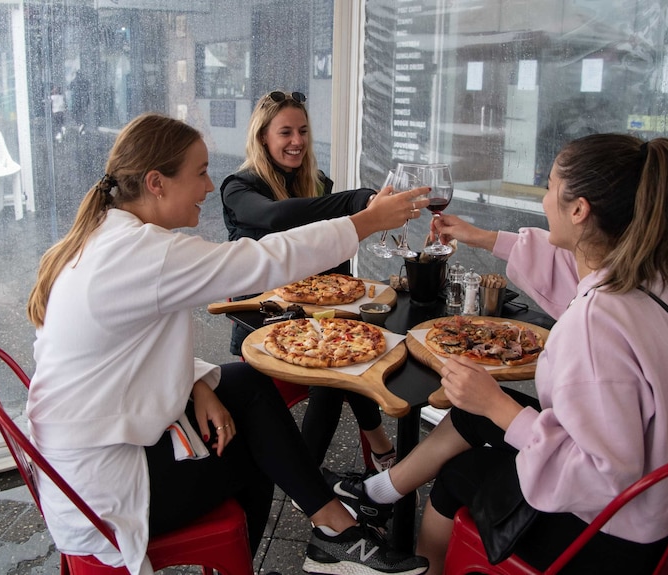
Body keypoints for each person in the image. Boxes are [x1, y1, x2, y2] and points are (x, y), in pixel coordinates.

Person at [24, 112, 430, 575]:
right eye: (199, 172)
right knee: (251, 447)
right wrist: (364, 222)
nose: (208, 184)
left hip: (76, 463)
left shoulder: (98, 240)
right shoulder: (142, 254)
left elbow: (113, 354)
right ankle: (319, 536)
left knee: (244, 382)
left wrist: (196, 386)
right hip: (105, 494)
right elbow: (263, 261)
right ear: (156, 183)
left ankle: (332, 532)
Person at [323, 134, 668, 574]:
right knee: (473, 415)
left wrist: (498, 404)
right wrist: (481, 237)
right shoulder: (658, 275)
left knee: (458, 475)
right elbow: (576, 268)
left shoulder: (595, 325)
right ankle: (376, 496)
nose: (544, 199)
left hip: (613, 531)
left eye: (549, 187)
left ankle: (421, 565)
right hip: (666, 501)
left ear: (579, 210)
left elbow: (603, 477)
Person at [220, 90, 397, 471]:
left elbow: (328, 260)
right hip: (263, 319)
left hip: (310, 314)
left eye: (302, 131)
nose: (297, 141)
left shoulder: (316, 182)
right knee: (333, 377)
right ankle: (315, 480)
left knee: (349, 349)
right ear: (263, 137)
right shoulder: (239, 187)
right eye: (285, 132)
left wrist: (367, 201)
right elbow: (276, 217)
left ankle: (376, 453)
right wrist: (355, 203)